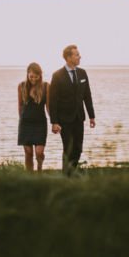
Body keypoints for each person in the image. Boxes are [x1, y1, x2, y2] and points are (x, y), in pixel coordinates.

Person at [49, 44, 96, 175]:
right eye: (77, 55)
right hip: (64, 119)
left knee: (78, 148)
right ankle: (66, 175)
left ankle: (72, 172)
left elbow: (87, 95)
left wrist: (92, 116)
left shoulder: (82, 73)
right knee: (68, 149)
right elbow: (53, 101)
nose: (79, 56)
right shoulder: (57, 75)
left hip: (79, 118)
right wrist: (54, 122)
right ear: (69, 57)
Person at [17, 62, 49, 172]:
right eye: (31, 76)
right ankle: (29, 175)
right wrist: (22, 118)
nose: (33, 79)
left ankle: (39, 170)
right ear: (27, 74)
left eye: (36, 77)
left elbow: (48, 107)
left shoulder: (45, 86)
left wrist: (55, 122)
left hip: (40, 123)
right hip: (25, 124)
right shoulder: (21, 86)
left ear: (40, 76)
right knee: (28, 152)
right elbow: (20, 105)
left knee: (39, 153)